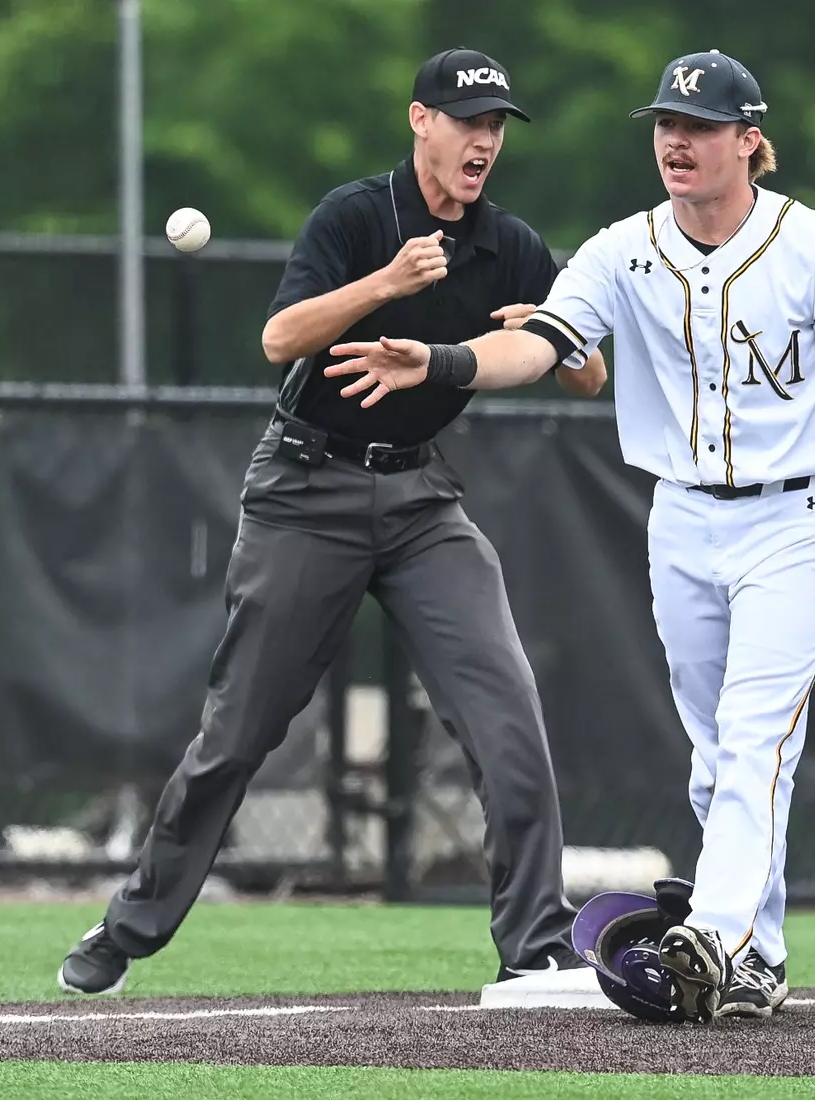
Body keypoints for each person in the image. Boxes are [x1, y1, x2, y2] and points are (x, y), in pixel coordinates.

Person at [324, 49, 815, 1023]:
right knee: (709, 754)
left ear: (749, 140)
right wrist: (442, 358)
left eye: (699, 127)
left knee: (755, 736)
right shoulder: (623, 248)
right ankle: (756, 954)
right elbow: (544, 344)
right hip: (681, 514)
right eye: (665, 125)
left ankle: (712, 934)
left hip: (801, 516)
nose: (676, 142)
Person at [58, 47, 606, 996]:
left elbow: (589, 374)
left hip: (422, 500)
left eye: (496, 127)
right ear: (419, 121)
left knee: (507, 713)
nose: (483, 141)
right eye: (466, 120)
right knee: (238, 734)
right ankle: (129, 925)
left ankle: (537, 945)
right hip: (306, 490)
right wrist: (385, 283)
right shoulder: (358, 217)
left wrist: (556, 345)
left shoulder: (509, 244)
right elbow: (279, 340)